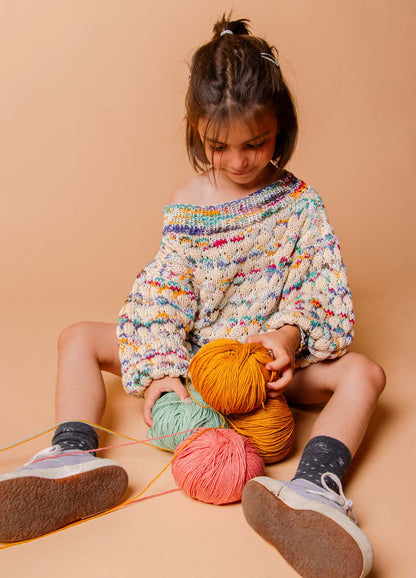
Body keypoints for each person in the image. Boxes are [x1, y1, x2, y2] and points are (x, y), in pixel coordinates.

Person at [0, 15, 384, 577]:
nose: (238, 161)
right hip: (196, 363)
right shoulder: (189, 203)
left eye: (256, 143)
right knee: (77, 337)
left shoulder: (301, 204)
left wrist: (287, 336)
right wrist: (162, 368)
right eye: (218, 146)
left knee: (365, 374)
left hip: (264, 370)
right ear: (196, 130)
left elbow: (321, 286)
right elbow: (163, 293)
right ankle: (70, 455)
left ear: (281, 125)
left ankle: (313, 490)